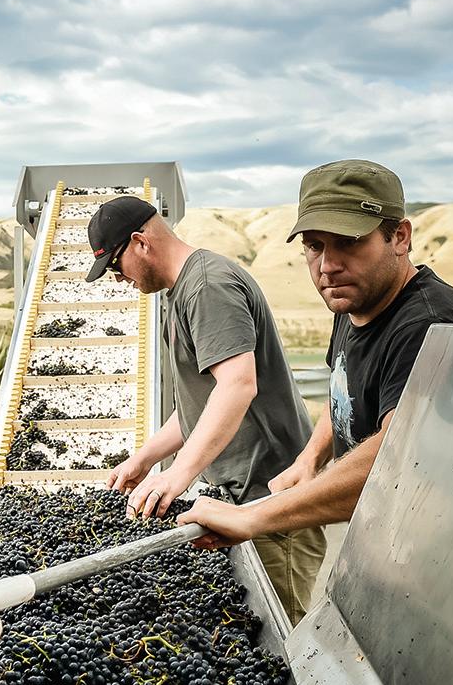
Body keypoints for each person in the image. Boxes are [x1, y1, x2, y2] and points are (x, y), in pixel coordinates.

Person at [181, 159, 453, 559]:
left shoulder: (429, 325)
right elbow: (343, 391)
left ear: (400, 237)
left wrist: (253, 518)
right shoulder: (355, 302)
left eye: (348, 242)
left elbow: (400, 456)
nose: (328, 266)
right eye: (315, 246)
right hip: (390, 538)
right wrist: (310, 459)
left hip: (448, 555)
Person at [86, 195, 325, 623]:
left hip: (270, 501)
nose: (118, 279)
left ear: (140, 243)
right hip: (238, 503)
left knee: (281, 636)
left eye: (116, 266)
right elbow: (197, 406)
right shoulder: (182, 293)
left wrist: (178, 474)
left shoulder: (208, 287)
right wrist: (145, 459)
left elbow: (237, 386)